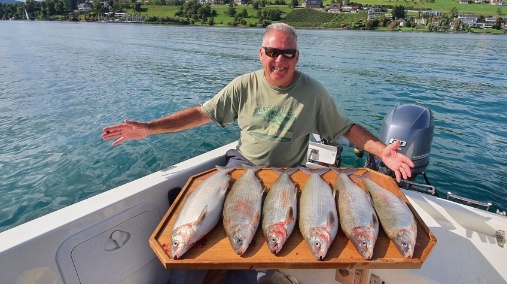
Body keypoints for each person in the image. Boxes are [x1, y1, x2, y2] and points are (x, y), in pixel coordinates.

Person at [102, 23, 414, 283]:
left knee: (247, 258)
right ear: (261, 54)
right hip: (241, 167)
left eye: (287, 53)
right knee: (200, 250)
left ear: (297, 56)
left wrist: (381, 151)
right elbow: (201, 113)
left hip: (288, 174)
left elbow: (347, 128)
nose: (280, 59)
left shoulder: (313, 93)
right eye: (273, 52)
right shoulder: (243, 86)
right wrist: (149, 128)